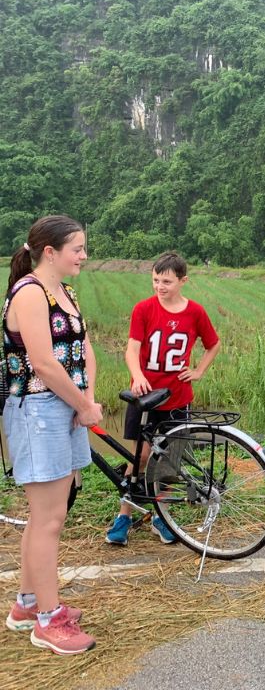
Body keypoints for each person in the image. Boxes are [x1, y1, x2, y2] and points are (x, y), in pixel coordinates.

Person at [2, 215, 99, 654]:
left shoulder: (64, 291)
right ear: (50, 252)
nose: (83, 256)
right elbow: (42, 362)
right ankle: (47, 619)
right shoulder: (29, 293)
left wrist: (87, 400)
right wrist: (82, 405)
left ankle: (26, 604)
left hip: (65, 406)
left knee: (45, 516)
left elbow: (83, 349)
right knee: (49, 519)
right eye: (77, 248)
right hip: (38, 410)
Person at [106, 251, 220, 546]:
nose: (160, 286)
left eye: (167, 281)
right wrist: (138, 375)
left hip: (177, 397)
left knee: (169, 460)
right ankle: (124, 515)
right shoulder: (143, 309)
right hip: (144, 397)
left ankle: (161, 516)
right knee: (141, 457)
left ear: (183, 281)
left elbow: (213, 344)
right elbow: (132, 349)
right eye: (156, 280)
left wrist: (198, 372)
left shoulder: (195, 312)